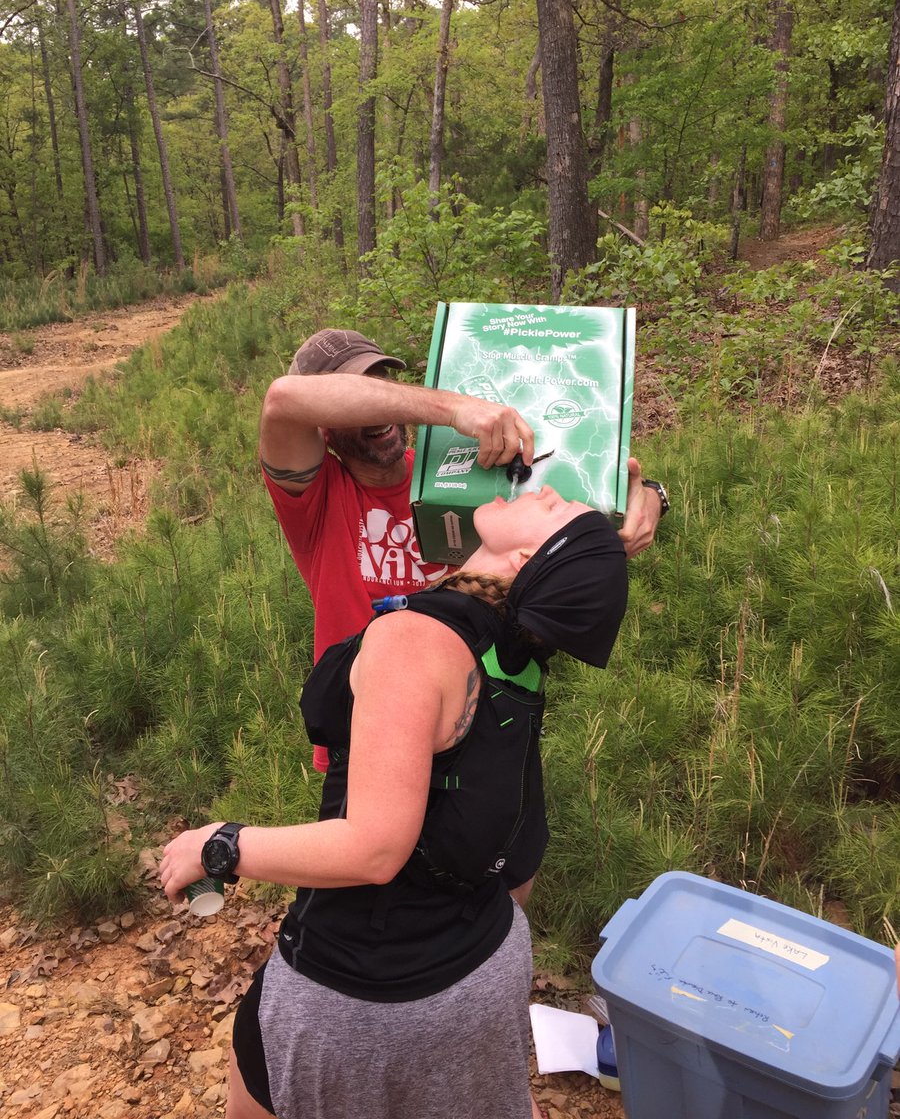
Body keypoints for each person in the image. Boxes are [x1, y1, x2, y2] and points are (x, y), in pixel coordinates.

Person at [159, 484, 629, 1119]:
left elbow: (375, 847)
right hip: (485, 962)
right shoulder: (514, 648)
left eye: (551, 506)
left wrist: (218, 845)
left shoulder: (414, 640)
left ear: (524, 559)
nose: (542, 488)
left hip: (363, 995)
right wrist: (644, 492)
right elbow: (518, 837)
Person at [258, 327, 667, 777]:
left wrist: (648, 495)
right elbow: (283, 400)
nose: (382, 405)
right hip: (372, 727)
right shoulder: (315, 498)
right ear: (325, 424)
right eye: (363, 392)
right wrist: (455, 407)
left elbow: (560, 505)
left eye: (384, 382)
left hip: (476, 721)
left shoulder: (449, 472)